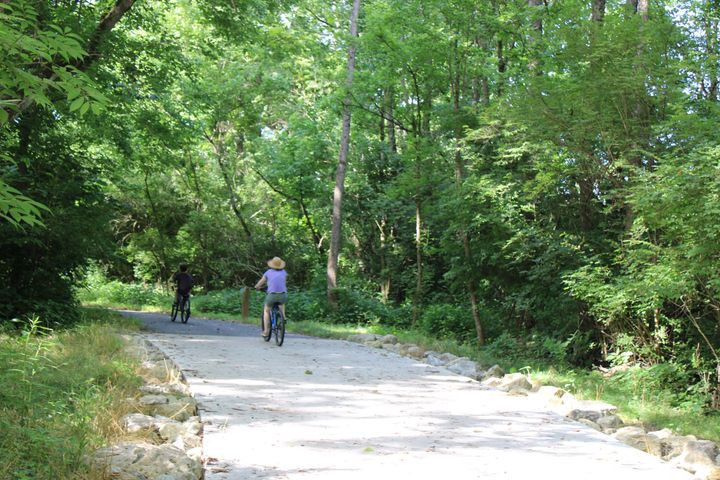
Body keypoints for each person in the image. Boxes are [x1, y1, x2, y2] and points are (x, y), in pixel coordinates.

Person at [254, 256, 288, 337]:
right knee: (281, 304)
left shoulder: (268, 272)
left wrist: (257, 286)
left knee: (266, 311)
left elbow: (262, 281)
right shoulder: (284, 272)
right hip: (283, 294)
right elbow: (283, 282)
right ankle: (283, 317)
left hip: (272, 295)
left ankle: (266, 331)